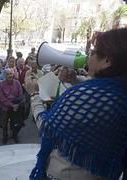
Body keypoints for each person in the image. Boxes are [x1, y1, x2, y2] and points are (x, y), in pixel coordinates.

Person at [26, 28, 127, 180]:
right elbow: (100, 92)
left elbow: (46, 127)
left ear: (107, 61)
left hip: (68, 174)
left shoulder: (85, 95)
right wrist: (75, 80)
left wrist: (33, 94)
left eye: (93, 53)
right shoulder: (119, 91)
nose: (89, 58)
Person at [0, 68, 24, 144]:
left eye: (11, 74)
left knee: (17, 123)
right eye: (8, 74)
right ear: (5, 76)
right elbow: (2, 99)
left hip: (16, 107)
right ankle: (5, 136)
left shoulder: (17, 83)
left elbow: (21, 95)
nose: (10, 75)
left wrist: (16, 105)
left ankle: (14, 135)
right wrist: (12, 105)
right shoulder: (2, 84)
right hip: (6, 107)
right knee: (5, 124)